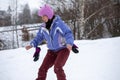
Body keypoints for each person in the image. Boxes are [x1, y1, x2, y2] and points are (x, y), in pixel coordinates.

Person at [25, 4, 74, 80]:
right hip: (51, 51)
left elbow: (68, 33)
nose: (42, 18)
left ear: (49, 15)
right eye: (41, 16)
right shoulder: (43, 27)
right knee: (42, 69)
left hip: (63, 50)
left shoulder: (59, 24)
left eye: (43, 16)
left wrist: (69, 43)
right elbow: (39, 37)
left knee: (57, 67)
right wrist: (32, 44)